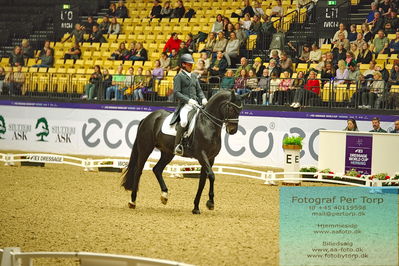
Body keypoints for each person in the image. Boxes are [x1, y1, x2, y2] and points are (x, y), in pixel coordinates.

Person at [170, 54, 207, 156]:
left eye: (191, 64)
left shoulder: (194, 76)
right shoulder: (179, 77)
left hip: (196, 105)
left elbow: (199, 90)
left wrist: (203, 98)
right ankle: (177, 146)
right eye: (189, 64)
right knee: (184, 122)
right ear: (183, 64)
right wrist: (188, 100)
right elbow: (177, 93)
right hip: (185, 106)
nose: (191, 66)